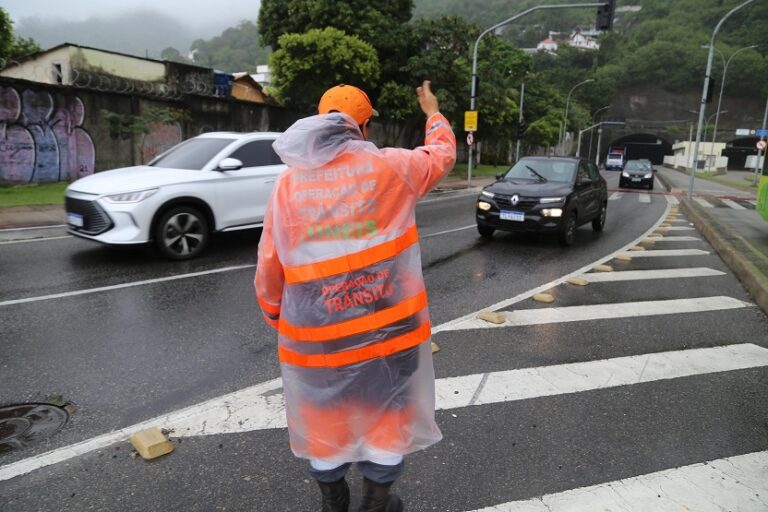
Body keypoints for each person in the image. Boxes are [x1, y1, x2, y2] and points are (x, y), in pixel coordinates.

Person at [255, 81, 456, 512]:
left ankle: (333, 500)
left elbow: (271, 260)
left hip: (316, 335)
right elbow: (441, 154)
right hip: (390, 330)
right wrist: (433, 112)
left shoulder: (288, 185)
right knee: (387, 415)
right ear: (363, 126)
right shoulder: (394, 168)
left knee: (323, 416)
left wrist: (276, 314)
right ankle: (377, 501)